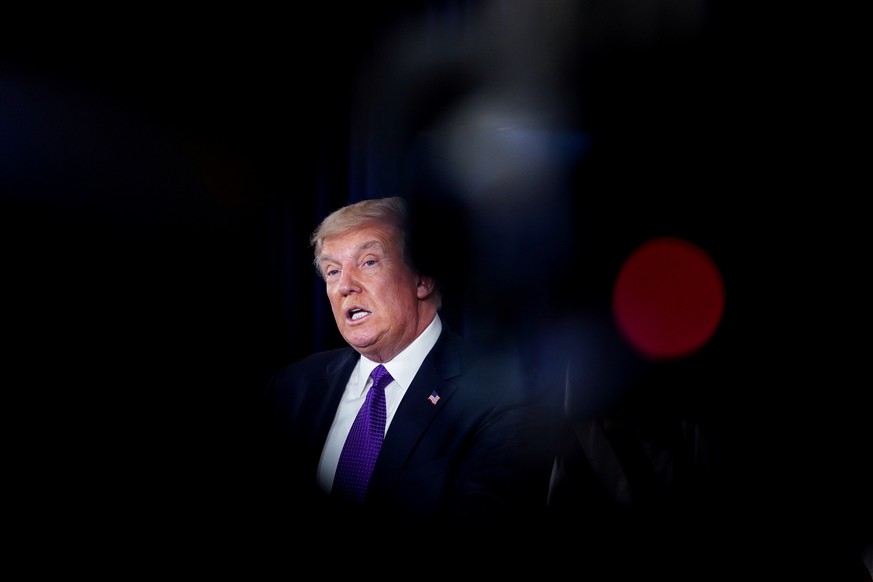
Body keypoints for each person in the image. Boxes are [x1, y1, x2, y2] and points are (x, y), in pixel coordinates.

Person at [257, 196, 556, 546]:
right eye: (333, 271)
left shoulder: (502, 393)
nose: (344, 286)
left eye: (368, 262)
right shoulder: (292, 388)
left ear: (422, 280)